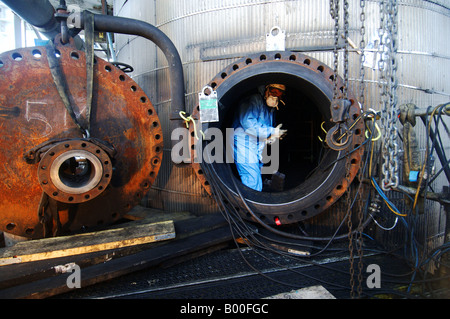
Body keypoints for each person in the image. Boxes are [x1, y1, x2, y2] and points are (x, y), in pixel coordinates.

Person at [232, 84, 287, 191]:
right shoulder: (254, 99)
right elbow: (248, 123)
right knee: (252, 178)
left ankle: (255, 199)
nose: (275, 95)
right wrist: (271, 131)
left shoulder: (270, 108)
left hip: (255, 145)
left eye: (279, 93)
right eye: (273, 91)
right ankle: (250, 206)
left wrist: (271, 136)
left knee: (256, 174)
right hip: (244, 143)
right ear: (266, 89)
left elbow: (262, 127)